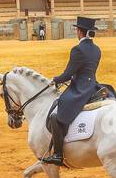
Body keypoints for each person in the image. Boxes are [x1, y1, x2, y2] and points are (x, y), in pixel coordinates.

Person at [40, 16, 101, 167]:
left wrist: (55, 80)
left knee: (56, 114)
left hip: (80, 88)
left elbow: (68, 74)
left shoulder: (78, 49)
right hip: (93, 84)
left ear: (80, 32)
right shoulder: (96, 49)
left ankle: (58, 155)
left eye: (77, 30)